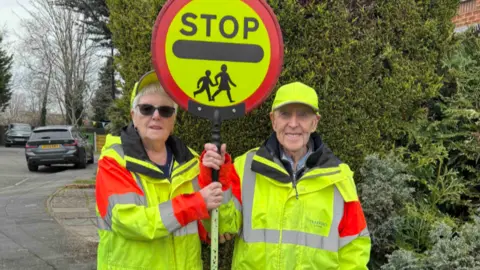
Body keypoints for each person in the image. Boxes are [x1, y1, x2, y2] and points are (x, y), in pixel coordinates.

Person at [199, 82, 371, 269]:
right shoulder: (246, 167)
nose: (293, 123)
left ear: (315, 122)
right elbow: (222, 227)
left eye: (303, 115)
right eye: (285, 114)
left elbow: (354, 247)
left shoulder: (339, 177)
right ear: (273, 120)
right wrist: (216, 175)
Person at [95, 70, 223, 270]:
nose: (156, 116)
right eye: (146, 109)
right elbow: (131, 223)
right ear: (133, 116)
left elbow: (216, 230)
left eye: (165, 110)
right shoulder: (115, 161)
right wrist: (196, 203)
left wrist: (215, 173)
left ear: (174, 119)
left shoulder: (192, 162)